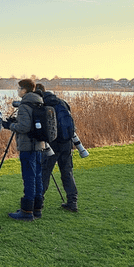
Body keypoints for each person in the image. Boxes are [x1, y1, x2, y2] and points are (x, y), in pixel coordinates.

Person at [2, 78, 45, 221]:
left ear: (24, 90)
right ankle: (37, 208)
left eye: (19, 88)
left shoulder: (25, 105)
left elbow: (24, 127)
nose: (18, 90)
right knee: (37, 176)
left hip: (28, 145)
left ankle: (26, 211)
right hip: (39, 144)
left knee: (28, 177)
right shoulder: (39, 101)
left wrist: (10, 126)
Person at [36, 84, 79, 212]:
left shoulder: (42, 105)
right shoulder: (62, 102)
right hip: (67, 143)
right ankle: (73, 202)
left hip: (52, 144)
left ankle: (39, 201)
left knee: (45, 172)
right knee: (67, 172)